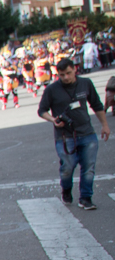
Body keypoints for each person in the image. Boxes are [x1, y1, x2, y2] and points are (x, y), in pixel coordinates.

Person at [38, 58, 110, 210]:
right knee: (67, 167)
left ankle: (86, 198)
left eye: (68, 73)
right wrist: (53, 120)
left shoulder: (86, 83)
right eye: (61, 75)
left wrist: (104, 125)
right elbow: (42, 111)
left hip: (87, 133)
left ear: (75, 70)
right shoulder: (51, 89)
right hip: (65, 136)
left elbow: (97, 105)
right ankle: (66, 190)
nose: (65, 77)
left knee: (88, 167)